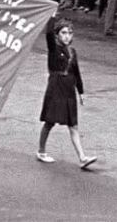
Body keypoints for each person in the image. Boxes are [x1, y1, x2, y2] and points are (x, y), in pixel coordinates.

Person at [37, 17, 97, 169]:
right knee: (50, 122)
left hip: (69, 90)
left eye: (69, 33)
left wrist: (81, 92)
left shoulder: (73, 52)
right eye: (63, 33)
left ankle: (82, 158)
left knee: (73, 125)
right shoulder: (53, 48)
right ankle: (41, 151)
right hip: (56, 87)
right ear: (57, 35)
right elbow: (48, 34)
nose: (67, 36)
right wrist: (51, 17)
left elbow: (76, 73)